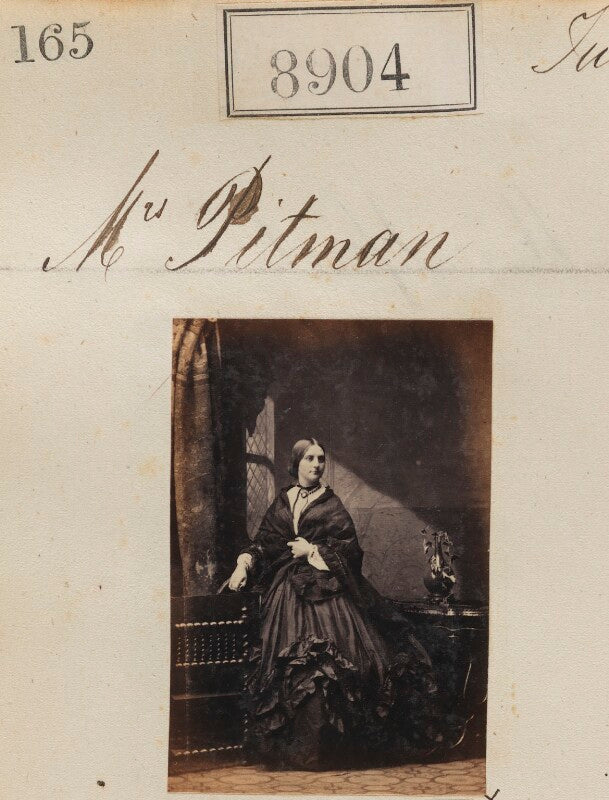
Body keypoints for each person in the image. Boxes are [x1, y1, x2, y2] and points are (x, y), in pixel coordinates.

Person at [228, 438, 454, 770]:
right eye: (309, 458)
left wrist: (311, 551)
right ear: (297, 463)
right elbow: (264, 542)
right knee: (284, 664)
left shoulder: (331, 504)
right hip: (286, 593)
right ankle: (288, 749)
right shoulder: (283, 501)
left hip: (328, 589)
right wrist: (243, 565)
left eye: (321, 459)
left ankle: (331, 749)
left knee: (339, 662)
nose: (316, 464)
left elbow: (349, 550)